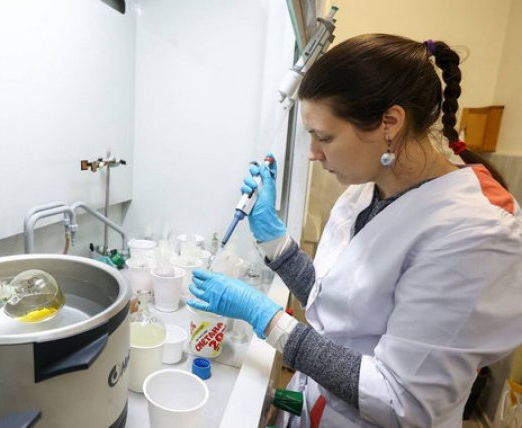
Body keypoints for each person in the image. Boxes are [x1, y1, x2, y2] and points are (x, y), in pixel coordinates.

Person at [187, 34, 522, 427]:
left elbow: (402, 400)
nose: (313, 153)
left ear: (389, 123)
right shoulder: (367, 189)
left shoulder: (476, 232)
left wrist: (263, 316)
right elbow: (337, 304)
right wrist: (274, 240)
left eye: (324, 137)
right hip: (319, 405)